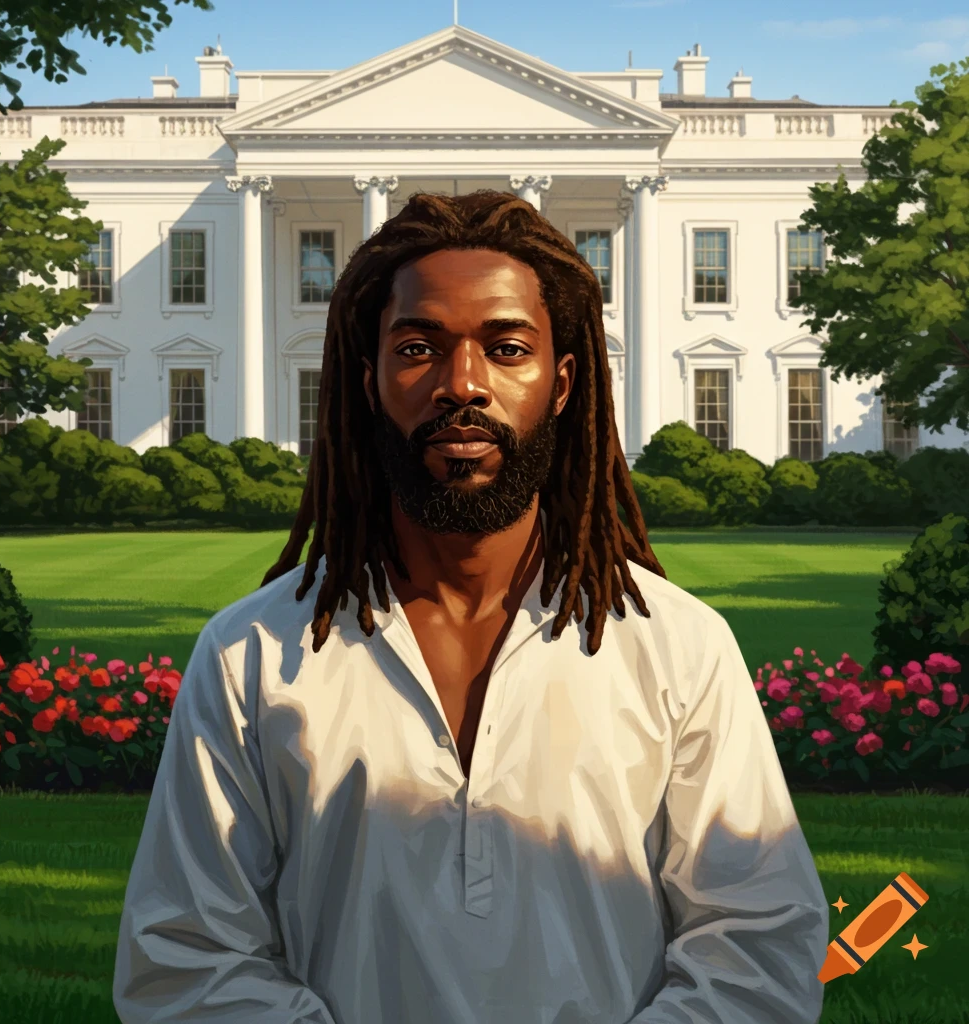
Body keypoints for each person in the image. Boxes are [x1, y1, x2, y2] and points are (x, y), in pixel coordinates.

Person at [113, 190, 829, 1023]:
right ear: (369, 381)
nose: (463, 385)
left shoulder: (678, 648)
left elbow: (758, 947)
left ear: (561, 384)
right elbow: (185, 959)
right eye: (418, 348)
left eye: (507, 348)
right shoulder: (253, 654)